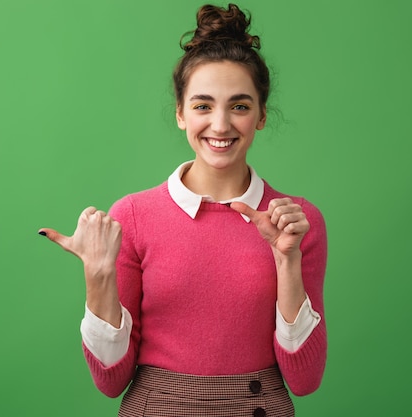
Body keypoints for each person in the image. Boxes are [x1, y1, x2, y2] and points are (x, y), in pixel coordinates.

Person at [39, 4, 327, 416]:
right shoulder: (134, 216)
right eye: (203, 106)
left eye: (240, 106)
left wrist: (287, 258)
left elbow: (305, 380)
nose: (221, 124)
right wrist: (99, 277)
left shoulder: (297, 222)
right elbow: (110, 382)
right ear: (180, 113)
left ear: (262, 115)